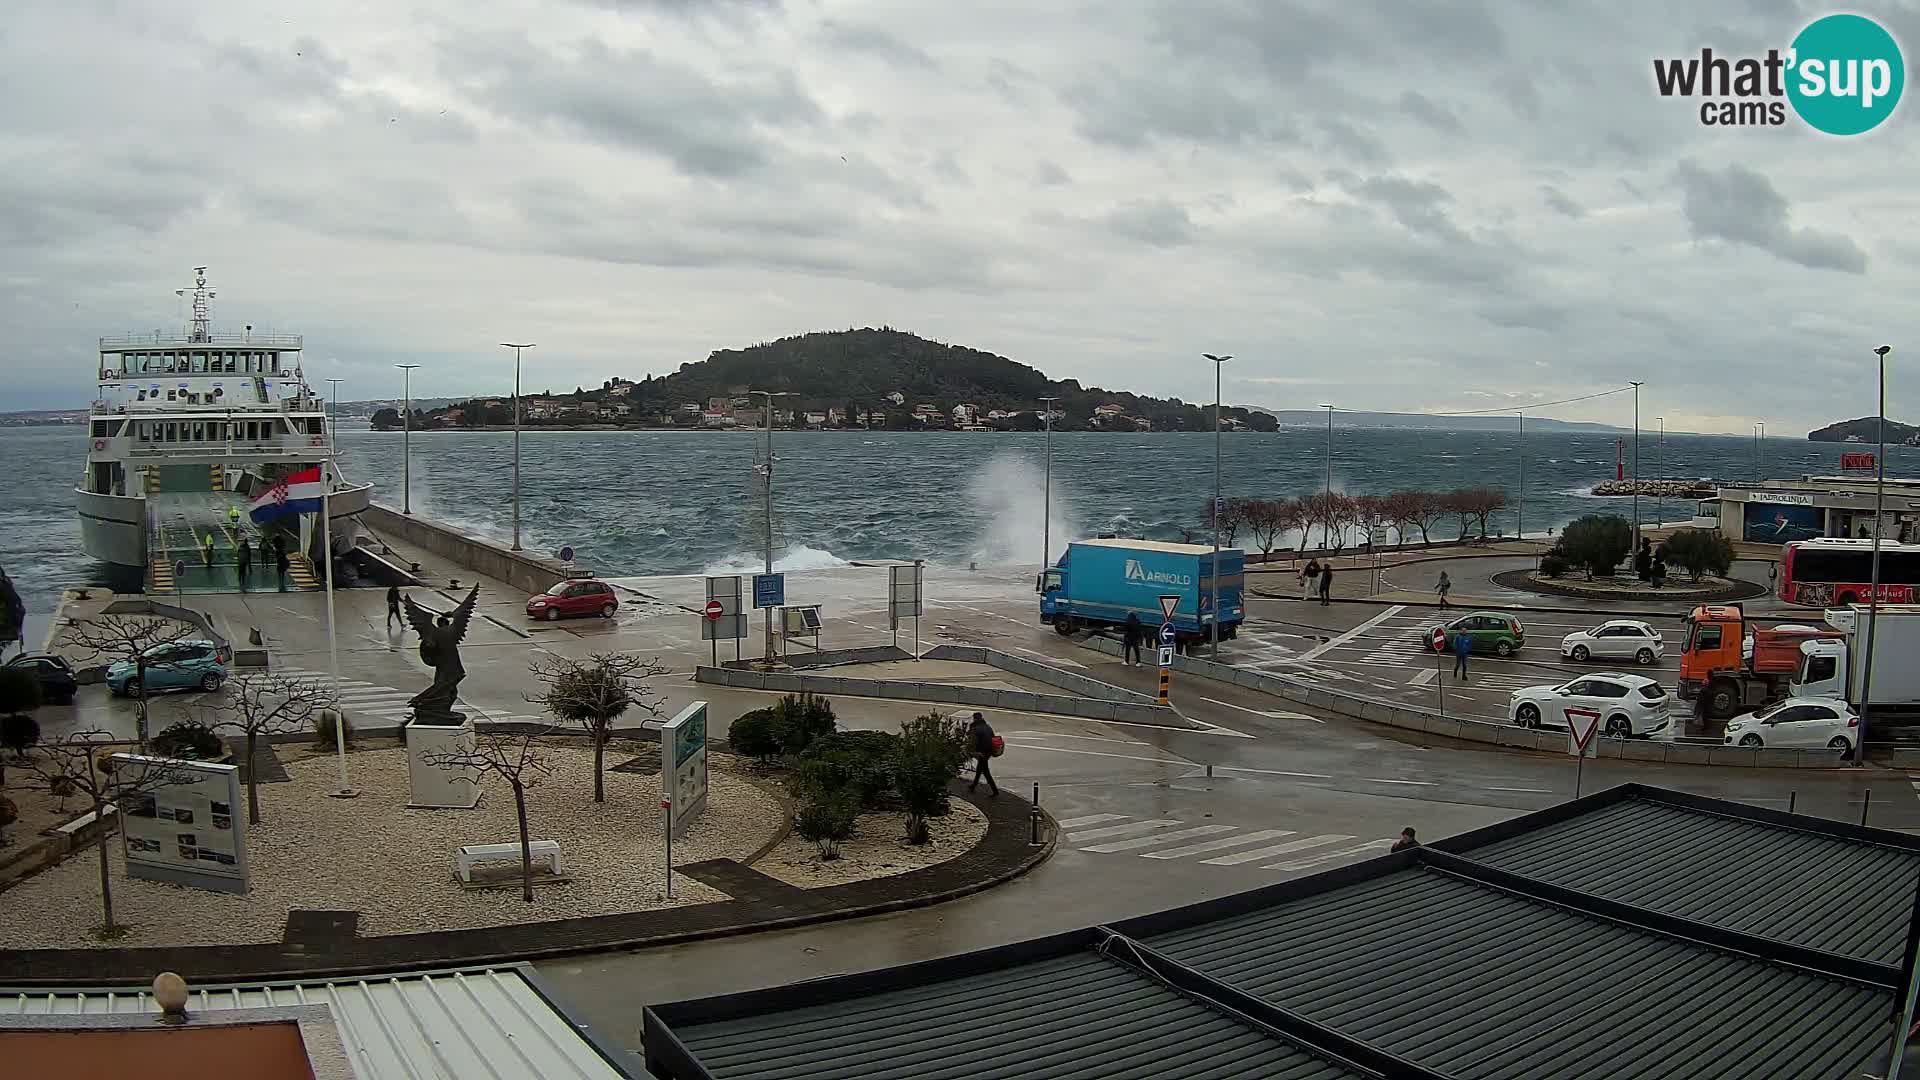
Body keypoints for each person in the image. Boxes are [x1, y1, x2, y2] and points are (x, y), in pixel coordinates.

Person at [967, 712, 999, 796]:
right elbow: (993, 738)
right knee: (981, 769)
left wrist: (973, 752)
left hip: (981, 752)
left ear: (975, 718)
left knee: (985, 771)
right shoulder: (988, 727)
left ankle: (995, 791)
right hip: (989, 751)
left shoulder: (974, 728)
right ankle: (973, 786)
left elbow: (972, 741)